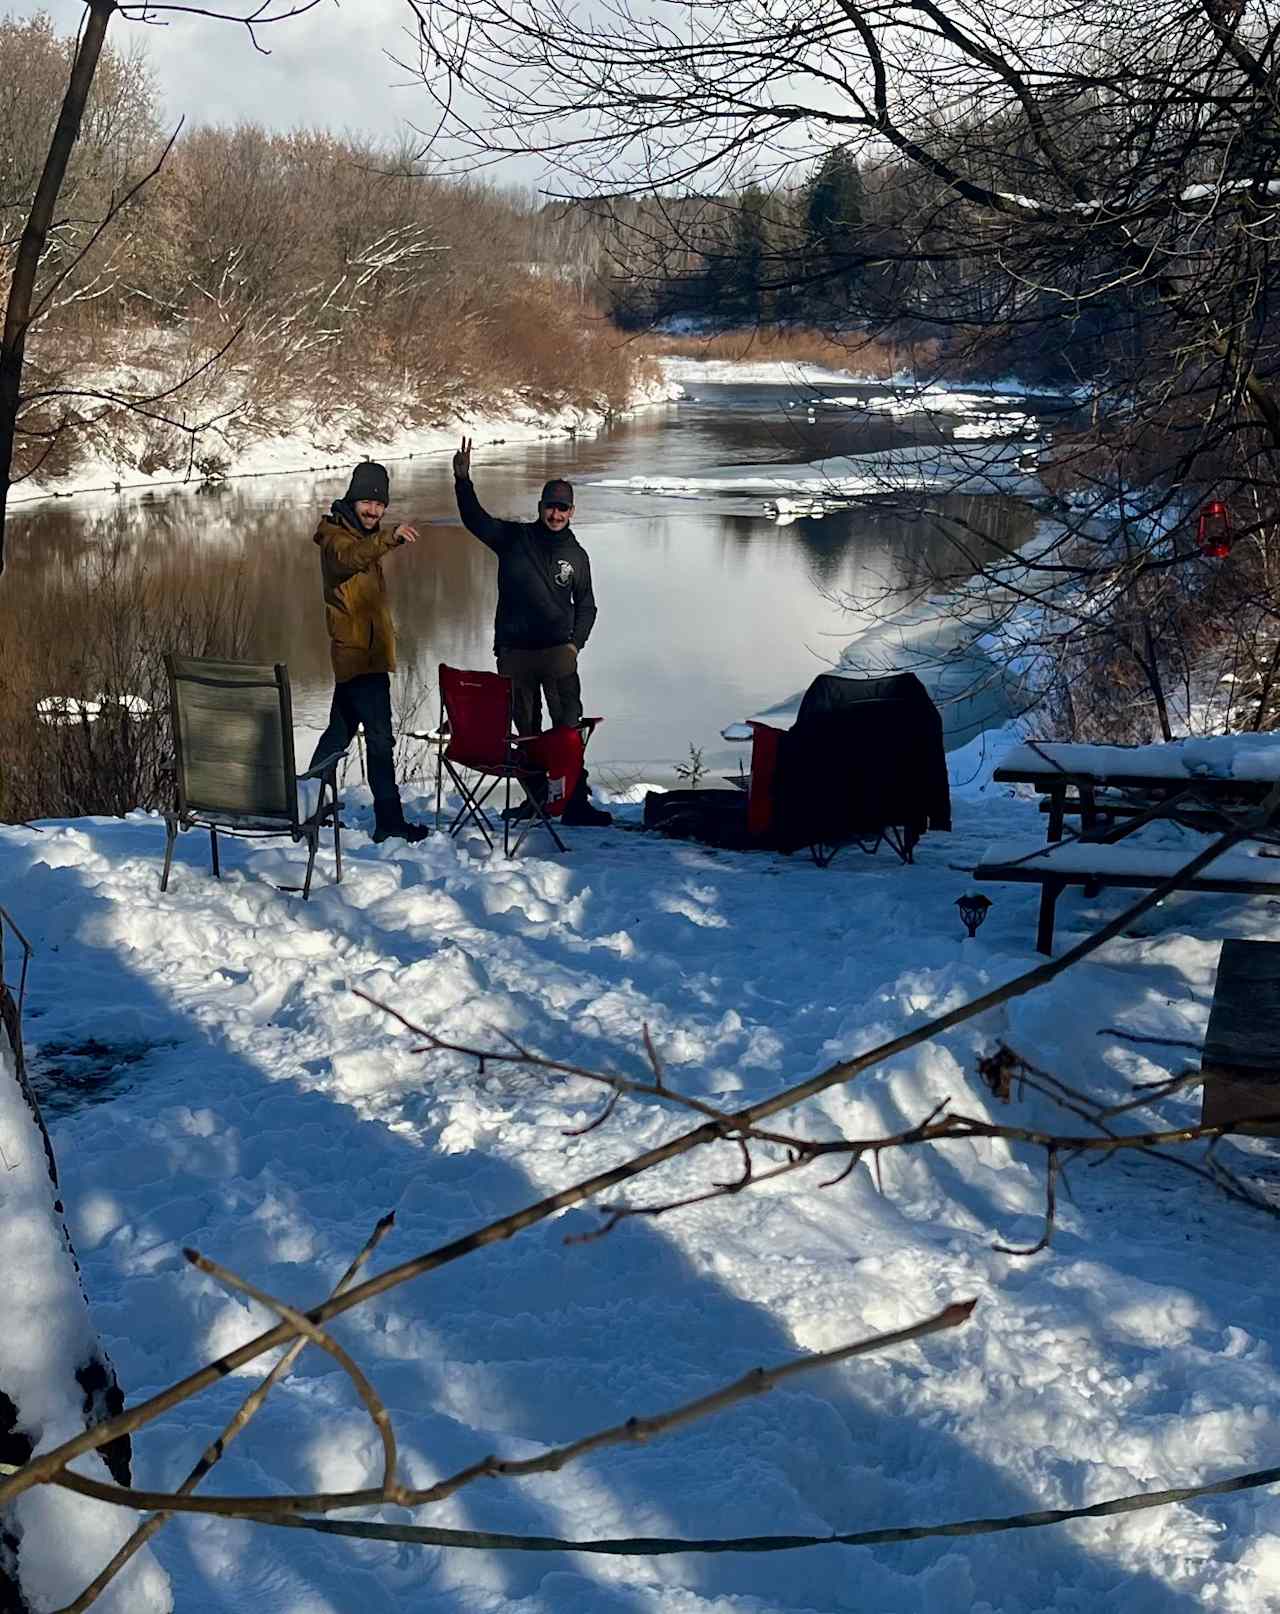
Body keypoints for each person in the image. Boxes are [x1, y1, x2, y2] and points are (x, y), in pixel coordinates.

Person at [452, 436, 612, 826]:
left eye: (562, 508)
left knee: (567, 732)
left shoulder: (576, 556)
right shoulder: (514, 539)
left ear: (571, 511)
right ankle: (537, 799)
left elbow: (587, 606)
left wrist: (575, 645)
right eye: (549, 506)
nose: (555, 514)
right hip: (515, 653)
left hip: (558, 654)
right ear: (539, 507)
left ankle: (574, 803)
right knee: (526, 732)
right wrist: (462, 481)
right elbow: (475, 520)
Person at [308, 459, 430, 844]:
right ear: (352, 498)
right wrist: (389, 538)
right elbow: (351, 557)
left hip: (365, 654)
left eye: (380, 505)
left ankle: (305, 804)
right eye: (367, 502)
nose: (374, 510)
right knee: (380, 740)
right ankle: (389, 820)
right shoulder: (336, 538)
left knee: (338, 733)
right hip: (359, 657)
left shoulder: (356, 533)